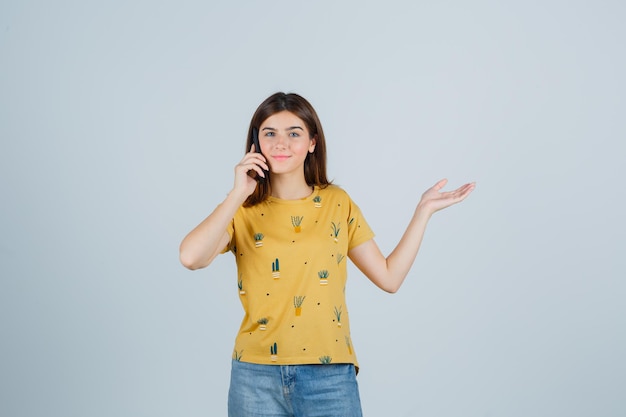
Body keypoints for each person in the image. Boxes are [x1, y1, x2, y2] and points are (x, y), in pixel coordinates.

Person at [179, 92, 475, 417]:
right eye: (269, 133)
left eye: (294, 133)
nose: (281, 143)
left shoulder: (337, 203)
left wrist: (423, 212)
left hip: (329, 376)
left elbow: (390, 277)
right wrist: (237, 193)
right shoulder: (242, 209)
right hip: (255, 374)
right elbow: (191, 257)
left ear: (312, 143)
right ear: (256, 144)